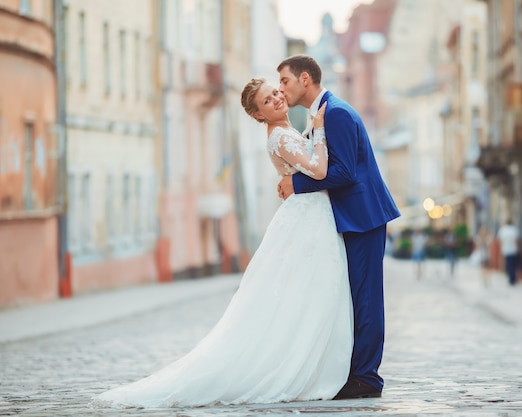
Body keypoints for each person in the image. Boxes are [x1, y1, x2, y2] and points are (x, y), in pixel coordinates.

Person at [90, 78, 353, 408]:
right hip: (308, 217)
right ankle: (302, 365)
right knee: (310, 290)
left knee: (309, 290)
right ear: (259, 115)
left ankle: (316, 361)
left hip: (309, 214)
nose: (277, 99)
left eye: (275, 92)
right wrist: (320, 129)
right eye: (267, 101)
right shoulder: (281, 137)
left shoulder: (286, 133)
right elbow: (318, 168)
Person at [276, 55, 400, 400]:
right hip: (350, 218)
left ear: (304, 79)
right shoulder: (324, 112)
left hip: (363, 217)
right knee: (352, 297)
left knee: (366, 299)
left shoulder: (337, 113)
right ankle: (353, 372)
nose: (281, 89)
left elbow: (344, 173)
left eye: (284, 81)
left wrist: (296, 185)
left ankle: (366, 379)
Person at [497, 219, 522, 286]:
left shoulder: (503, 230)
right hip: (514, 250)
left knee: (509, 265)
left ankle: (511, 279)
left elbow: (500, 241)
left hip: (507, 250)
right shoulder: (514, 230)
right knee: (514, 265)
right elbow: (518, 240)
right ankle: (513, 278)